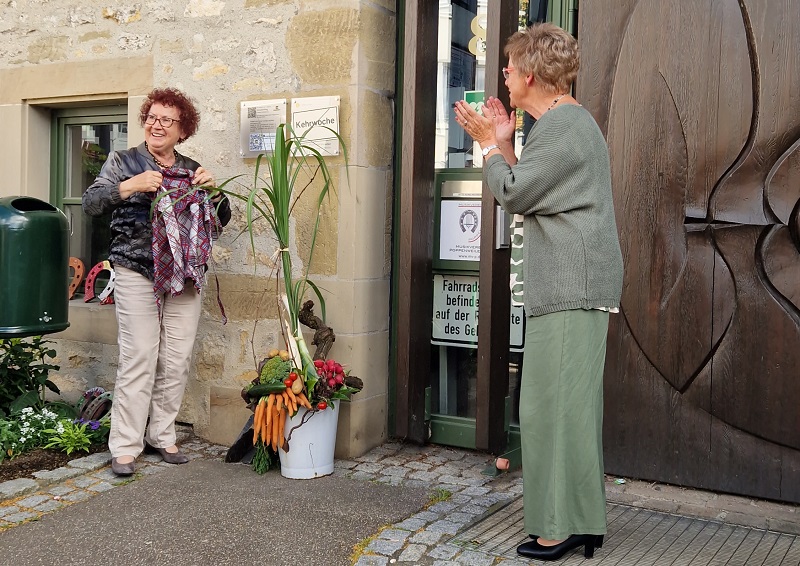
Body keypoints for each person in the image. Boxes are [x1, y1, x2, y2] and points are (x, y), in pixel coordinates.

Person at [455, 23, 623, 561]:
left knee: (552, 410)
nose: (503, 72)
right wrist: (505, 143)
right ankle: (581, 522)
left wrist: (488, 145)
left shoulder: (562, 126)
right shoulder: (561, 125)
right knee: (564, 408)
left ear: (529, 74)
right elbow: (533, 189)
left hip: (573, 287)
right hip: (572, 287)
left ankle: (562, 525)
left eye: (509, 66)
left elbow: (514, 192)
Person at [83, 88, 231, 476]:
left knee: (176, 358)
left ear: (183, 130)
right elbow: (91, 202)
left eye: (167, 119)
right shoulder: (123, 161)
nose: (157, 125)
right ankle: (125, 446)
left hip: (184, 274)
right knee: (140, 356)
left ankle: (162, 436)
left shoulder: (191, 168)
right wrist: (130, 185)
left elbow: (220, 218)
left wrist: (214, 192)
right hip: (136, 270)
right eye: (152, 117)